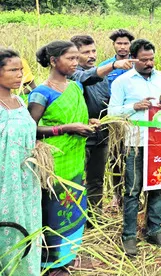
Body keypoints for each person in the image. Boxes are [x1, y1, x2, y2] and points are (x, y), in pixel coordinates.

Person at [28, 41, 97, 275]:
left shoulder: (76, 87)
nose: (76, 63)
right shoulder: (41, 93)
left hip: (75, 159)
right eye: (71, 59)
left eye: (77, 58)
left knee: (74, 211)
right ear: (54, 61)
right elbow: (30, 130)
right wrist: (66, 128)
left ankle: (68, 256)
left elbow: (78, 117)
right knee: (53, 213)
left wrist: (89, 124)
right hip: (53, 165)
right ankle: (50, 264)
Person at [109, 39, 161, 256]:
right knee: (132, 190)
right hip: (134, 144)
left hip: (159, 142)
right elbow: (112, 113)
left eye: (151, 59)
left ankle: (154, 230)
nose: (149, 63)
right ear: (133, 58)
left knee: (158, 187)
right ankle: (129, 236)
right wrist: (134, 106)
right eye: (144, 60)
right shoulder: (122, 82)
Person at [69, 35, 135, 221]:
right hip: (80, 138)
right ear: (74, 55)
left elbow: (107, 101)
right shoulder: (72, 74)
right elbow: (87, 78)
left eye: (93, 51)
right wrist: (113, 66)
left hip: (101, 135)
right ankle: (74, 220)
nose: (91, 56)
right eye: (86, 52)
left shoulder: (102, 77)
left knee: (96, 180)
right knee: (76, 180)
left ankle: (94, 216)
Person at [0, 48, 41, 275]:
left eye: (21, 69)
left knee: (26, 224)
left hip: (27, 181)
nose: (20, 74)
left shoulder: (20, 101)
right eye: (13, 70)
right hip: (4, 182)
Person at [99, 28, 135, 209]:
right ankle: (116, 195)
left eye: (126, 43)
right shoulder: (106, 67)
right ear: (113, 45)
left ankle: (134, 194)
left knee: (133, 156)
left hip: (136, 119)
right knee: (114, 158)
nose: (122, 47)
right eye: (119, 43)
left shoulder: (139, 65)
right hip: (114, 120)